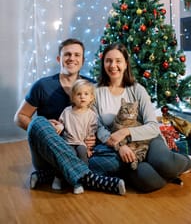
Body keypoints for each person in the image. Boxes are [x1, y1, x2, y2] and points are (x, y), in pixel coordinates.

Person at [88, 43, 191, 193]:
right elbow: (98, 127)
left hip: (148, 138)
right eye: (108, 60)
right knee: (148, 181)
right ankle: (172, 171)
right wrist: (119, 146)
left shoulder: (137, 89)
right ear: (103, 63)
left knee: (165, 163)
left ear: (125, 64)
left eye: (118, 60)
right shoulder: (95, 91)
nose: (113, 65)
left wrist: (126, 132)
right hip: (123, 147)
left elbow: (152, 125)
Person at [14, 38, 126, 196]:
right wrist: (45, 128)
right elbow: (19, 117)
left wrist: (93, 137)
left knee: (116, 161)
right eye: (67, 54)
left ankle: (52, 175)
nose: (72, 58)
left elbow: (98, 122)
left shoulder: (92, 87)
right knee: (39, 122)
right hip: (48, 153)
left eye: (76, 55)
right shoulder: (42, 85)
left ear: (82, 60)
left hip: (81, 150)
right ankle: (89, 177)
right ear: (59, 59)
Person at [52, 79, 98, 194]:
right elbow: (61, 124)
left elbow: (91, 133)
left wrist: (89, 148)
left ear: (91, 97)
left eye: (86, 94)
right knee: (67, 156)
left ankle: (79, 181)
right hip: (68, 142)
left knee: (82, 155)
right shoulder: (67, 111)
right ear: (73, 97)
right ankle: (58, 178)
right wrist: (59, 127)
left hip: (81, 143)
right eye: (79, 94)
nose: (82, 97)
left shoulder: (91, 115)